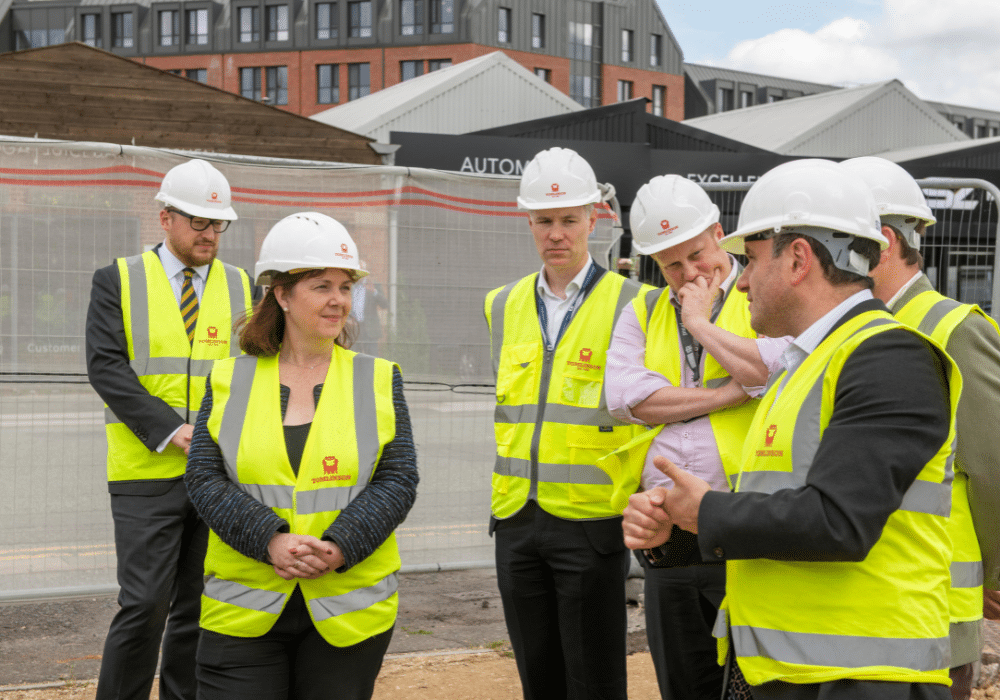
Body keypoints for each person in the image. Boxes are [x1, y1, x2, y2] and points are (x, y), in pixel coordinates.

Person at [623, 159, 960, 700]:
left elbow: (837, 520)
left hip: (861, 682)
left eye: (751, 260)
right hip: (793, 674)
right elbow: (777, 505)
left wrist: (705, 510)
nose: (743, 282)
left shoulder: (889, 357)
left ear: (799, 258)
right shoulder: (807, 366)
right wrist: (676, 530)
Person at [184, 212, 418, 700]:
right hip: (244, 607)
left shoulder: (378, 378)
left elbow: (397, 480)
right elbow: (205, 478)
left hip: (346, 610)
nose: (338, 300)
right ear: (282, 295)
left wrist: (340, 545)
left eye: (345, 286)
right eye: (321, 286)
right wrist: (268, 539)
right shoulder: (229, 378)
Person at [602, 175, 789, 700]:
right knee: (684, 685)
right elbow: (629, 399)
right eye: (670, 264)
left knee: (753, 686)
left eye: (697, 254)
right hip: (668, 537)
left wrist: (700, 323)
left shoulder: (764, 299)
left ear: (718, 233)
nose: (688, 273)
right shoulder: (640, 311)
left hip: (745, 526)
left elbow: (775, 368)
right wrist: (730, 394)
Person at [484, 146, 652, 700]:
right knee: (539, 678)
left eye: (568, 220)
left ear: (593, 219)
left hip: (592, 522)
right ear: (527, 221)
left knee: (595, 680)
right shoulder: (501, 304)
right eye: (544, 221)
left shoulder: (637, 304)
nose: (556, 233)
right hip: (515, 519)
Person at [86, 159, 252, 700]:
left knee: (199, 605)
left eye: (218, 224)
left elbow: (253, 370)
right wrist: (172, 431)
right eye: (199, 223)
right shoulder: (119, 279)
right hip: (145, 472)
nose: (210, 235)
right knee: (143, 603)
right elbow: (107, 366)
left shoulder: (241, 286)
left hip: (218, 476)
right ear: (165, 218)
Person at [842, 156, 1000, 700]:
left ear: (882, 243)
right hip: (869, 593)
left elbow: (992, 466)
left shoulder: (954, 330)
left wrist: (996, 576)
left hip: (936, 600)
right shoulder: (855, 330)